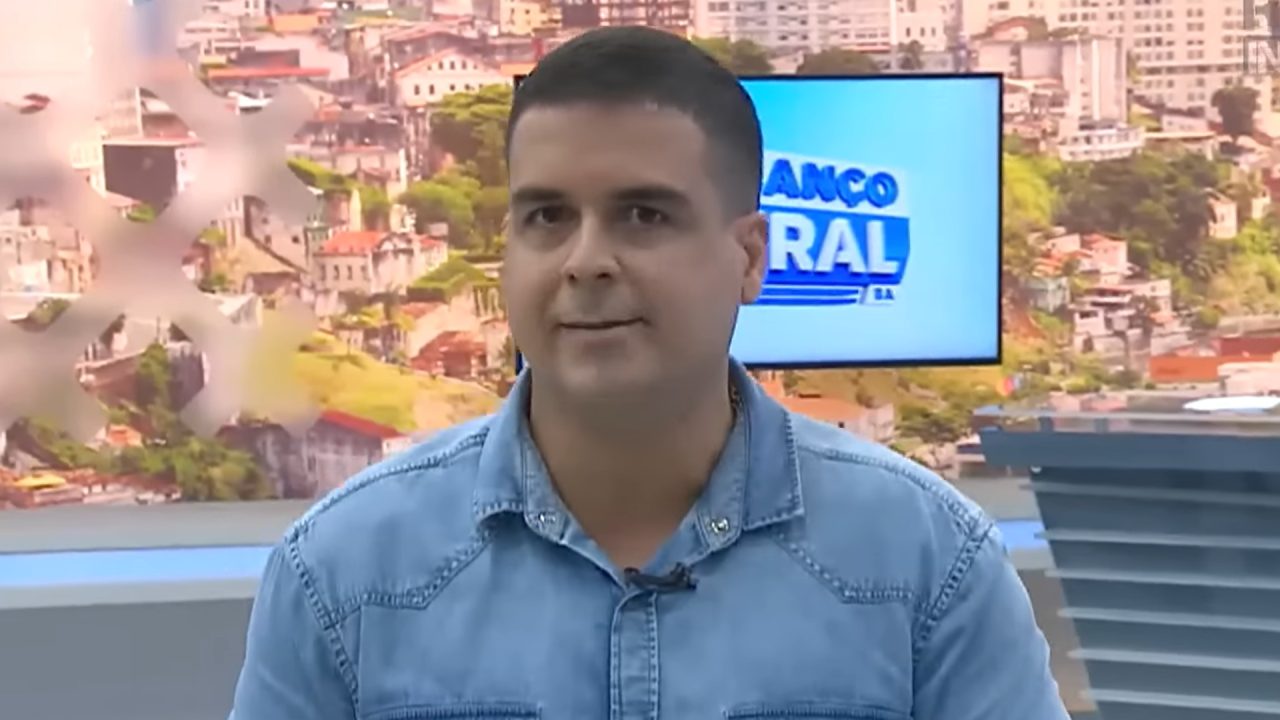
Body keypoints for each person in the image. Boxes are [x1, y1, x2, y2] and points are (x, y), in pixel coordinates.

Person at [228, 26, 1069, 720]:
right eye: (547, 216)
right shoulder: (341, 573)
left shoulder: (928, 564)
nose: (586, 261)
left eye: (643, 214)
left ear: (749, 258)